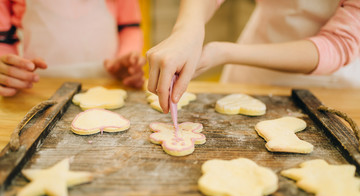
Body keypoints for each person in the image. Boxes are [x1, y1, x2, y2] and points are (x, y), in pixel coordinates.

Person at [146, 0, 360, 114]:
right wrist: (187, 30)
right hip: (254, 63)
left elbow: (339, 43)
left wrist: (224, 52)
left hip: (331, 84)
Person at [0, 0, 145, 97]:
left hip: (108, 85)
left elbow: (129, 26)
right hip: (36, 88)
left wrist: (126, 61)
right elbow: (3, 38)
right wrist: (8, 70)